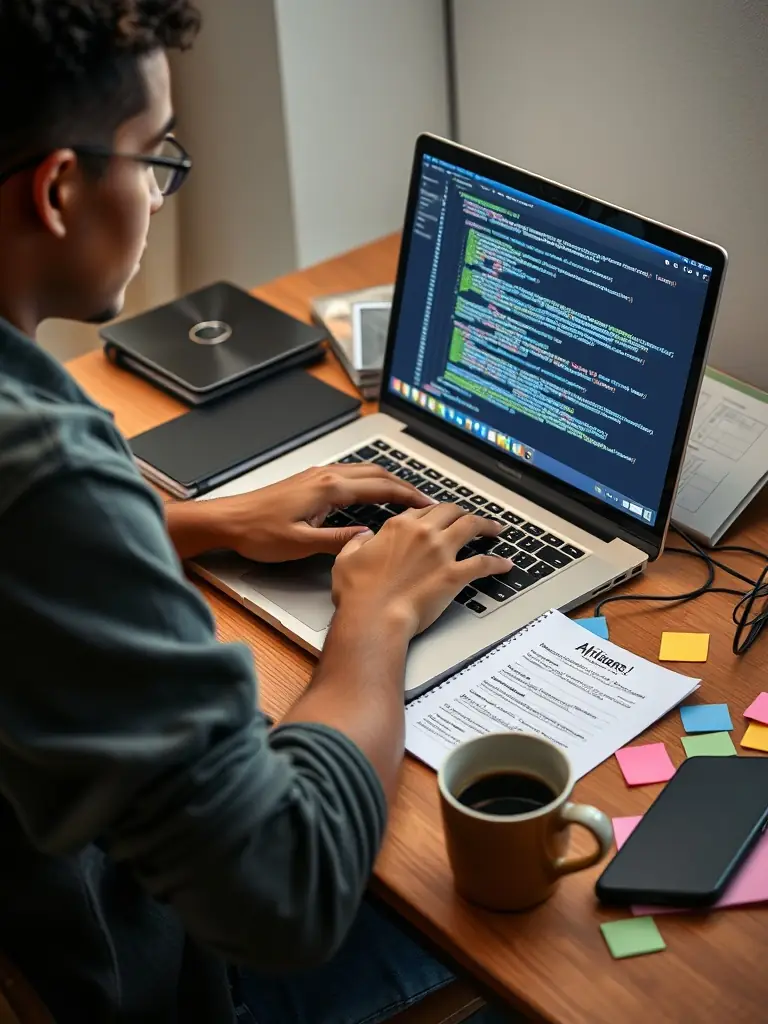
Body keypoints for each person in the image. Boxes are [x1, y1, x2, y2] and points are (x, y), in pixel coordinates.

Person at [0, 3, 519, 1022]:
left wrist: (204, 520)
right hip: (159, 974)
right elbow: (290, 889)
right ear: (59, 188)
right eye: (154, 156)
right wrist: (374, 619)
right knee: (545, 941)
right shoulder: (45, 477)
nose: (156, 191)